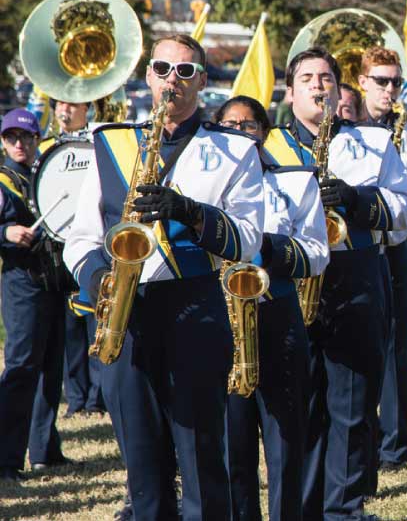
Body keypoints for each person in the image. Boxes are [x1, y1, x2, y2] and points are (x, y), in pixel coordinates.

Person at [64, 34, 266, 518]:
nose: (171, 80)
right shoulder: (110, 142)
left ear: (202, 82)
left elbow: (249, 240)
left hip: (195, 307)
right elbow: (80, 238)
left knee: (201, 460)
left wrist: (191, 213)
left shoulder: (235, 151)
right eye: (161, 68)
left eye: (185, 71)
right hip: (124, 314)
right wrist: (100, 282)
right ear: (147, 76)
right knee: (143, 469)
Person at [261, 47, 407, 520]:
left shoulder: (371, 142)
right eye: (306, 78)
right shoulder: (266, 150)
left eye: (326, 77)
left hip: (356, 273)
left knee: (352, 405)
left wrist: (356, 198)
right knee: (297, 405)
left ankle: (343, 509)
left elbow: (406, 213)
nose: (318, 85)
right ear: (290, 92)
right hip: (290, 279)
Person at [214, 96, 329, 521]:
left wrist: (265, 247)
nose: (240, 132)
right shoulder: (205, 189)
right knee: (233, 442)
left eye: (249, 124)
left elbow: (317, 254)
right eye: (230, 125)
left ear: (264, 132)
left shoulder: (295, 183)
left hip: (278, 313)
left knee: (285, 441)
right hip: (224, 320)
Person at [357, 46, 407, 475]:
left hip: (393, 247)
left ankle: (394, 443)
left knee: (393, 347)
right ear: (363, 81)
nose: (390, 89)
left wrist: (394, 173)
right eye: (381, 80)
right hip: (354, 247)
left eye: (395, 82)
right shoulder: (344, 128)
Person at [0, 108, 73, 482]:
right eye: (11, 137)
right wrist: (5, 234)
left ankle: (44, 451)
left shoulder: (43, 175)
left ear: (35, 139)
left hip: (52, 281)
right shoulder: (1, 180)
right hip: (21, 281)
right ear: (2, 141)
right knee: (22, 368)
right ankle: (6, 460)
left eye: (26, 137)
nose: (19, 144)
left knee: (50, 368)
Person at [39, 100, 106, 419]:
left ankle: (97, 397)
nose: (65, 110)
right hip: (58, 250)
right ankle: (76, 397)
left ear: (87, 108)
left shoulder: (96, 143)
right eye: (61, 105)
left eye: (73, 105)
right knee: (70, 331)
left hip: (93, 246)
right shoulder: (47, 149)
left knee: (97, 321)